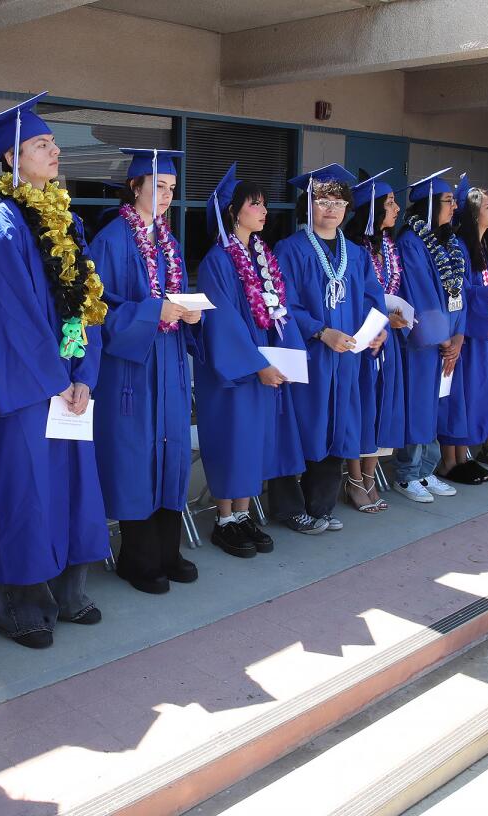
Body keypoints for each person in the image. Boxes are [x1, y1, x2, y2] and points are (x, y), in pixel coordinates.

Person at [0, 93, 110, 649]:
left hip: (65, 383)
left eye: (54, 144)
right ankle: (17, 602)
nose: (54, 151)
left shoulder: (68, 220)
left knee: (74, 484)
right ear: (10, 160)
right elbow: (14, 318)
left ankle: (67, 588)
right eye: (41, 145)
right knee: (25, 489)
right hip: (26, 387)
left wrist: (81, 373)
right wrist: (57, 379)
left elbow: (80, 307)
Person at [89, 148, 201, 594]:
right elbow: (98, 309)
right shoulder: (111, 240)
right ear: (134, 187)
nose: (166, 196)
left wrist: (189, 312)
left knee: (171, 453)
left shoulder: (168, 242)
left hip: (169, 360)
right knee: (136, 457)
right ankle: (137, 559)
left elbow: (175, 294)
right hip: (132, 369)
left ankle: (168, 550)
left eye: (172, 189)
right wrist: (155, 311)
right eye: (158, 186)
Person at [194, 163, 304, 557]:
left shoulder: (261, 256)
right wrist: (257, 364)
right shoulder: (217, 262)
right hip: (234, 372)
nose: (263, 211)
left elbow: (280, 312)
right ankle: (224, 519)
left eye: (263, 205)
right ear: (233, 211)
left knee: (254, 441)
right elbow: (222, 319)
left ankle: (243, 514)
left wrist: (288, 361)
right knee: (231, 439)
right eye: (255, 204)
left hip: (264, 368)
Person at [273, 164, 387, 524]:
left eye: (338, 201)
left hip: (347, 358)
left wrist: (378, 328)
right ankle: (291, 509)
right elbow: (284, 303)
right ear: (307, 204)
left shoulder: (355, 253)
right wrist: (322, 332)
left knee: (337, 427)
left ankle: (321, 507)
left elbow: (373, 297)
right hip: (309, 355)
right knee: (300, 427)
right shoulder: (289, 248)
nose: (331, 208)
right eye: (322, 200)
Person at [392, 168, 462, 501]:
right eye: (448, 201)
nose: (453, 207)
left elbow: (455, 292)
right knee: (418, 404)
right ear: (430, 204)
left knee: (433, 405)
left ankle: (426, 471)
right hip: (422, 342)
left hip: (443, 341)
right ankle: (408, 475)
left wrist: (456, 334)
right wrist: (443, 336)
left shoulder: (445, 242)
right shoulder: (410, 241)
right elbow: (420, 293)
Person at [345, 169, 407, 511]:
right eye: (390, 203)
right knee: (363, 407)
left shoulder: (388, 246)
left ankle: (370, 476)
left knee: (383, 406)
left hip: (388, 338)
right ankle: (354, 479)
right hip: (364, 340)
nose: (396, 209)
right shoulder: (353, 249)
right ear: (373, 208)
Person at [444, 183, 488, 479]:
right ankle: (451, 460)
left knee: (481, 395)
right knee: (461, 396)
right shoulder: (459, 246)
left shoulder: (487, 247)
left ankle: (465, 454)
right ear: (472, 213)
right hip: (468, 336)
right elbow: (457, 292)